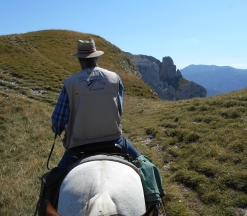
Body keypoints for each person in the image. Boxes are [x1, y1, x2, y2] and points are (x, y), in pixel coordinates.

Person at [36, 39, 164, 216]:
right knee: (147, 168)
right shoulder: (114, 78)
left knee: (51, 182)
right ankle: (156, 207)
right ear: (96, 58)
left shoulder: (70, 83)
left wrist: (57, 128)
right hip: (115, 140)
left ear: (80, 60)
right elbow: (118, 109)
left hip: (79, 146)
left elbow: (58, 120)